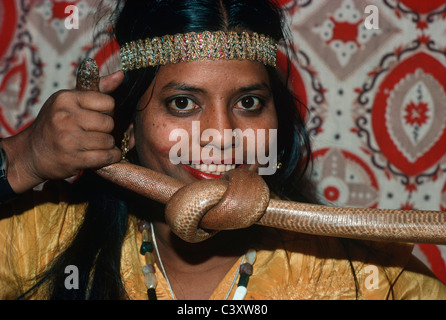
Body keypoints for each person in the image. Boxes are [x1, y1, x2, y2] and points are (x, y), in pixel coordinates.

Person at [0, 0, 445, 300]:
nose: (221, 135)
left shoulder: (369, 273)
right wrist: (20, 159)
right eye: (183, 103)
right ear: (126, 128)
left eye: (248, 103)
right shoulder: (41, 241)